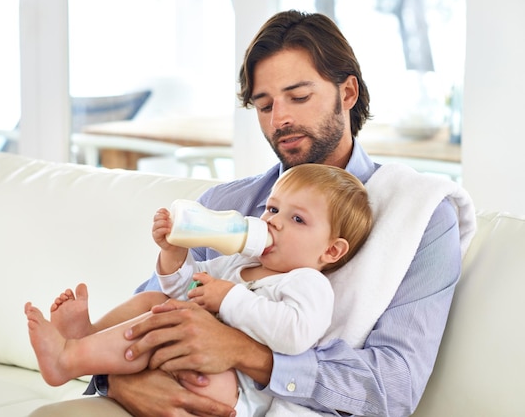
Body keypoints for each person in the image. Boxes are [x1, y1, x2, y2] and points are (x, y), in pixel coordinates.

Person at [72, 10, 464, 417]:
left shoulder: (418, 219)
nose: (280, 120)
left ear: (347, 93)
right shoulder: (223, 207)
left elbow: (392, 388)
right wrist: (119, 381)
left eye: (299, 97)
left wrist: (249, 354)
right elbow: (146, 316)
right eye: (264, 105)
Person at [25, 163, 373, 416]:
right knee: (154, 301)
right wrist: (174, 254)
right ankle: (85, 339)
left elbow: (294, 334)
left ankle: (68, 359)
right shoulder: (236, 264)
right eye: (272, 208)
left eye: (297, 219)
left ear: (330, 251)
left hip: (233, 389)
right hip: (183, 361)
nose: (273, 222)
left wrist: (229, 297)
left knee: (173, 323)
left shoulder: (307, 282)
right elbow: (183, 290)